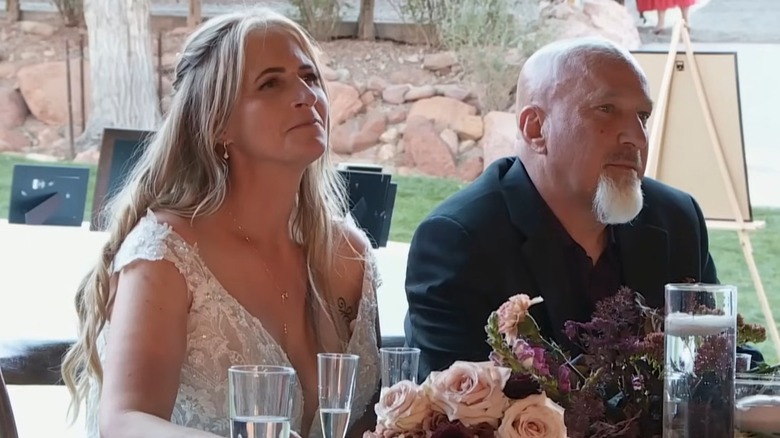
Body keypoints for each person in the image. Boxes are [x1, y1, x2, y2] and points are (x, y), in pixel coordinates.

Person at [60, 8, 381, 438]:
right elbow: (124, 422)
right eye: (271, 83)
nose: (306, 95)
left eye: (309, 77)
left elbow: (375, 421)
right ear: (218, 124)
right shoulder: (166, 255)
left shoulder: (350, 256)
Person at [403, 37, 762, 380]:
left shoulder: (675, 218)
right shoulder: (460, 241)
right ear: (536, 129)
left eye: (642, 116)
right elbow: (460, 407)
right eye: (607, 110)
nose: (636, 137)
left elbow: (728, 359)